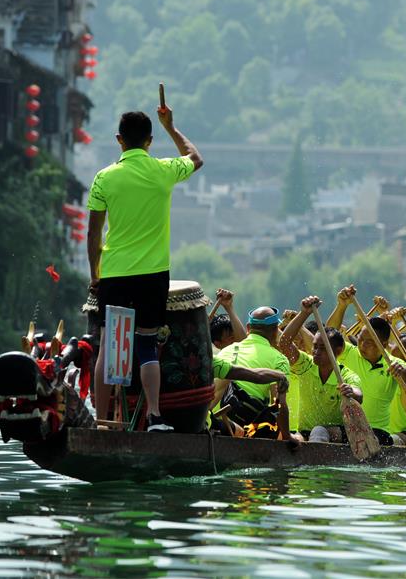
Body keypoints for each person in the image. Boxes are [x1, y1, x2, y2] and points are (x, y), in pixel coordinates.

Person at [87, 89, 203, 432]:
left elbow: (93, 235)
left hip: (116, 274)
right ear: (149, 141)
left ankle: (102, 421)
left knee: (112, 346)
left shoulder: (104, 178)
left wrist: (95, 273)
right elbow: (195, 157)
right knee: (147, 342)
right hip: (153, 274)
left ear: (119, 140)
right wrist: (172, 126)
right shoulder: (163, 171)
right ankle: (154, 416)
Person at [326, 286, 406, 445]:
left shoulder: (393, 363)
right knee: (322, 431)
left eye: (369, 342)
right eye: (360, 338)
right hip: (348, 427)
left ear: (384, 344)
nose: (362, 345)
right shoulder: (350, 353)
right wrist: (342, 305)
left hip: (378, 431)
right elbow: (330, 333)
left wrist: (403, 371)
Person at [278, 296, 364, 443]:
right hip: (305, 432)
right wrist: (304, 313)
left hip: (338, 434)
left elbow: (359, 394)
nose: (316, 352)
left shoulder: (345, 375)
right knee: (289, 439)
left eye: (323, 348)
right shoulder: (306, 366)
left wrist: (351, 391)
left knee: (319, 431)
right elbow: (284, 343)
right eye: (315, 346)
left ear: (338, 351)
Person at [214, 306, 293, 436]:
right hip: (252, 429)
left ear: (248, 328)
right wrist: (288, 436)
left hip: (218, 422)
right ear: (275, 331)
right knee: (298, 438)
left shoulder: (227, 350)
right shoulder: (280, 359)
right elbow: (278, 404)